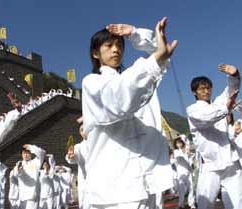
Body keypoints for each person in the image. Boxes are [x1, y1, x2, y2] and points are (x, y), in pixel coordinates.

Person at [81, 17, 177, 209]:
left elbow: (159, 53)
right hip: (117, 187)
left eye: (119, 45)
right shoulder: (92, 82)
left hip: (147, 181)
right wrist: (156, 59)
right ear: (95, 54)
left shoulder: (137, 78)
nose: (116, 49)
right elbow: (119, 99)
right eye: (108, 45)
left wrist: (134, 33)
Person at [186, 64, 242, 209]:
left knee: (237, 203)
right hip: (210, 166)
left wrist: (234, 76)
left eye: (208, 87)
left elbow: (230, 92)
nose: (206, 91)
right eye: (202, 88)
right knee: (205, 204)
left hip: (230, 162)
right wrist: (226, 108)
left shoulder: (218, 103)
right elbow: (207, 117)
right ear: (194, 92)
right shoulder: (193, 110)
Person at [12, 144, 46, 209]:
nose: (26, 155)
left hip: (32, 195)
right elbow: (15, 174)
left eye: (28, 153)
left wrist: (31, 147)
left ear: (31, 154)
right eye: (24, 153)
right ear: (21, 155)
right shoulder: (19, 163)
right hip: (22, 195)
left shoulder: (35, 162)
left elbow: (42, 153)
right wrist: (19, 170)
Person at [66, 117, 89, 209]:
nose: (84, 131)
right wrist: (72, 156)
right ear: (80, 133)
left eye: (86, 128)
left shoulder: (100, 142)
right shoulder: (79, 146)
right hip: (85, 181)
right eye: (82, 130)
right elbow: (76, 156)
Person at [173, 137, 196, 209]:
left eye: (179, 142)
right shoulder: (176, 151)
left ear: (182, 143)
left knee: (191, 187)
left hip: (189, 171)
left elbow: (191, 158)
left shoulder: (187, 150)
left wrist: (188, 152)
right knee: (181, 189)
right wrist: (186, 152)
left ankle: (191, 204)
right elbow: (179, 157)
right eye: (177, 143)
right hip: (181, 173)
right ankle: (181, 205)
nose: (178, 144)